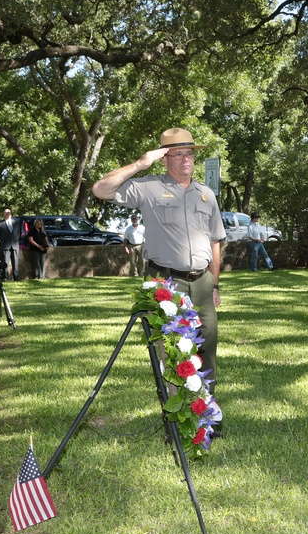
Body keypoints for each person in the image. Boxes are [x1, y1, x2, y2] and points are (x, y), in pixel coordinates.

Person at [92, 127, 226, 396]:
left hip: (202, 283)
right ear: (164, 158)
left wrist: (215, 285)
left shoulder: (205, 193)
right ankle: (177, 424)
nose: (186, 159)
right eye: (178, 155)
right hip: (166, 282)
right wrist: (142, 163)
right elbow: (101, 189)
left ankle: (207, 414)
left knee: (206, 351)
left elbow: (215, 242)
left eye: (189, 154)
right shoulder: (149, 188)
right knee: (173, 352)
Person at [0, 208, 21, 280]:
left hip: (15, 245)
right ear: (3, 214)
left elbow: (18, 234)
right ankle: (4, 277)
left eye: (9, 212)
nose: (8, 214)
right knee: (5, 262)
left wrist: (15, 241)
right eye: (6, 212)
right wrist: (2, 242)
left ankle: (16, 277)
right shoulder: (0, 224)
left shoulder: (16, 223)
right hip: (5, 246)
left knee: (15, 262)